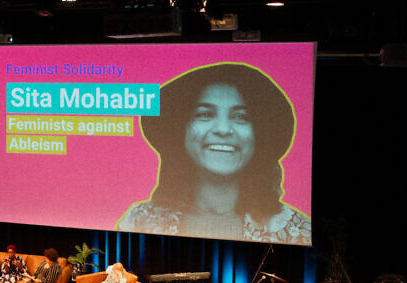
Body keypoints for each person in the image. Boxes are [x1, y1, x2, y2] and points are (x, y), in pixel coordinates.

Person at [117, 63, 310, 245]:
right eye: (205, 114)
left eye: (241, 117)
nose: (223, 129)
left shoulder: (296, 231)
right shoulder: (139, 220)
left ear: (260, 134)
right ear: (181, 129)